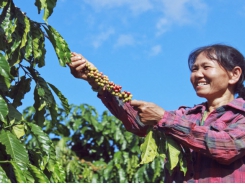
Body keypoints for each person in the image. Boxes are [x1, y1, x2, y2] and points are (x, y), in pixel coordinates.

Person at [68, 44, 245, 183]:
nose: (198, 75)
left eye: (206, 67)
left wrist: (164, 119)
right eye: (194, 69)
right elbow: (138, 122)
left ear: (234, 75)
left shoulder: (241, 115)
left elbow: (227, 147)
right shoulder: (186, 116)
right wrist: (94, 78)